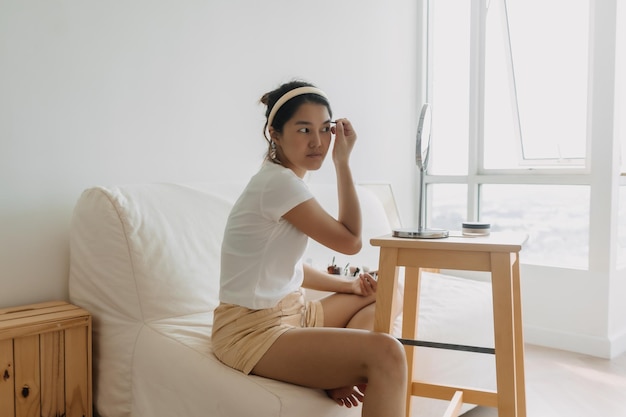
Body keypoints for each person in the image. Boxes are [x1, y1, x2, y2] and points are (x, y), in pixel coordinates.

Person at [212, 80, 407, 417]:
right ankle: (340, 366)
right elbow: (350, 242)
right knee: (387, 353)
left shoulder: (284, 178)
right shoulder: (278, 184)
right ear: (274, 133)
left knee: (389, 290)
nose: (318, 142)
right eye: (304, 129)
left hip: (294, 314)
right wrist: (342, 163)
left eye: (325, 129)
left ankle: (338, 368)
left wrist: (349, 286)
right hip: (251, 331)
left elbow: (289, 269)